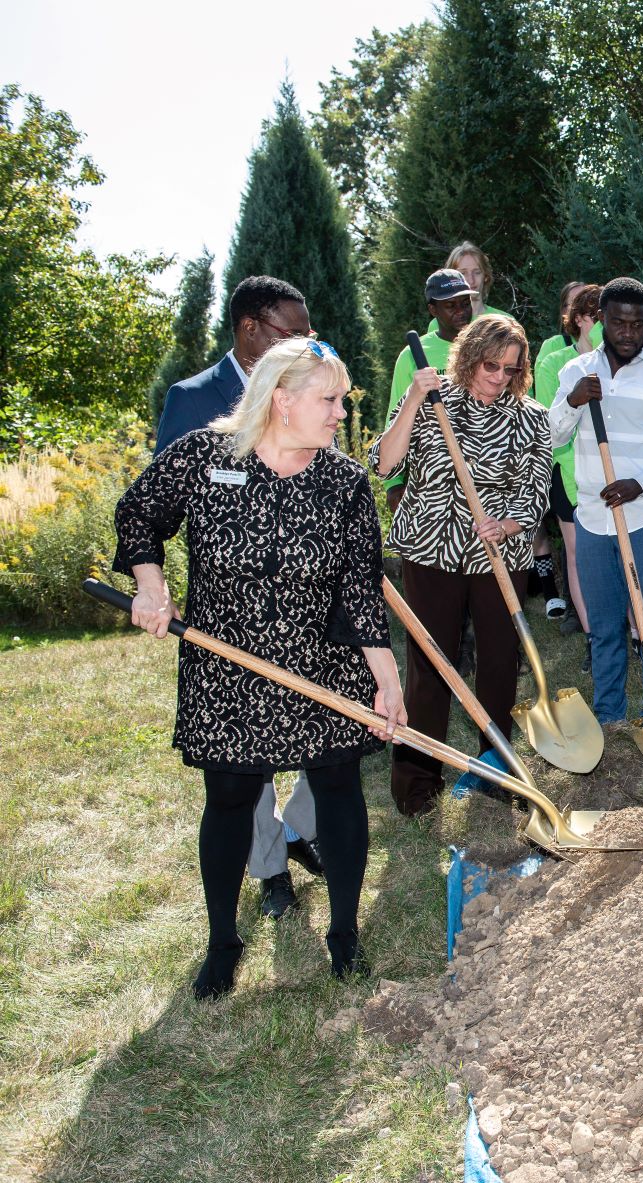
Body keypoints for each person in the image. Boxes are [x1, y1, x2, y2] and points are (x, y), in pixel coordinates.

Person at [115, 337, 400, 998]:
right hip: (227, 670)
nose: (339, 413)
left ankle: (345, 936)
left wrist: (388, 682)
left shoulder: (343, 481)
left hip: (321, 670)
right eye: (329, 400)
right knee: (231, 799)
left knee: (339, 791)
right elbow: (139, 515)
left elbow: (361, 591)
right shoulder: (204, 458)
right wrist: (152, 587)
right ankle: (222, 943)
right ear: (282, 399)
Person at [152, 274, 326, 921]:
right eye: (294, 332)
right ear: (251, 329)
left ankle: (300, 829)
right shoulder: (194, 400)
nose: (307, 344)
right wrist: (154, 581)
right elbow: (162, 503)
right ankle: (270, 865)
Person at [370, 315, 552, 816]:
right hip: (430, 551)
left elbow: (535, 491)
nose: (499, 378)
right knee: (430, 666)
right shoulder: (433, 403)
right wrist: (411, 400)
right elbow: (383, 464)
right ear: (469, 357)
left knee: (498, 664)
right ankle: (417, 784)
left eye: (510, 370)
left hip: (498, 554)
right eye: (490, 366)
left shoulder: (532, 417)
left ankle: (496, 772)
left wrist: (508, 524)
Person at [551, 278, 643, 721]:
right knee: (605, 629)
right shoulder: (576, 373)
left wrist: (642, 482)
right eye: (618, 323)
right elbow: (552, 435)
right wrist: (573, 402)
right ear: (601, 322)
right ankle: (609, 717)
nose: (628, 333)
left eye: (637, 324)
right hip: (594, 520)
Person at [155, 276, 309, 452]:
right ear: (250, 328)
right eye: (293, 336)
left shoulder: (311, 398)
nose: (303, 347)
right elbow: (168, 478)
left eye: (307, 337)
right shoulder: (190, 398)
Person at [532, 283, 606, 634]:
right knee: (578, 558)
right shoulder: (554, 364)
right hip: (570, 475)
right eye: (597, 317)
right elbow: (553, 426)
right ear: (578, 320)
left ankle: (633, 632)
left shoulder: (622, 358)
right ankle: (594, 636)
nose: (605, 325)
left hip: (614, 475)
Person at [383, 268, 478, 515]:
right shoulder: (414, 355)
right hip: (431, 479)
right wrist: (394, 485)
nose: (461, 311)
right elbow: (397, 416)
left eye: (465, 303)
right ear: (433, 310)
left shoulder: (486, 347)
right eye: (450, 305)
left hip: (483, 473)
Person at [534, 280, 588, 369]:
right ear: (564, 311)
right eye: (576, 302)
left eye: (586, 302)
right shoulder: (553, 346)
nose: (582, 307)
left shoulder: (604, 344)